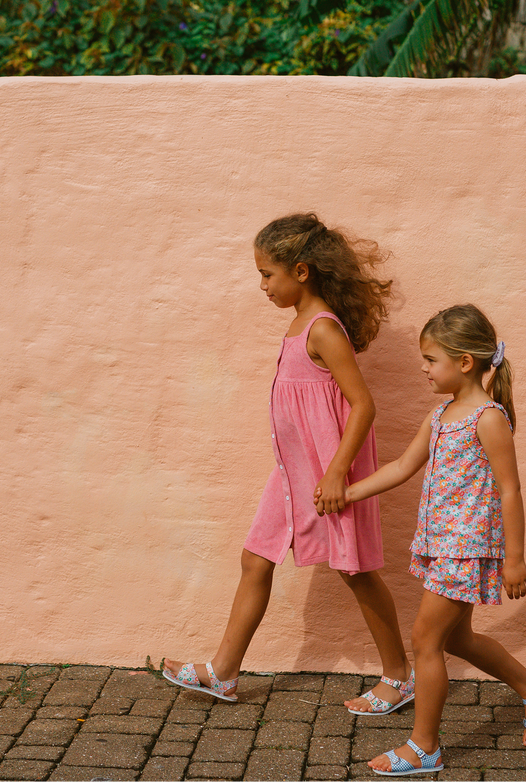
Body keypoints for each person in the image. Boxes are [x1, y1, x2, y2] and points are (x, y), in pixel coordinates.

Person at [162, 212, 414, 715]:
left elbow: (363, 405)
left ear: (301, 271)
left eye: (266, 274)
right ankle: (224, 671)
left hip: (327, 474)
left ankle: (399, 677)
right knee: (255, 557)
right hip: (291, 475)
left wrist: (338, 473)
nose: (262, 286)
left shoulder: (322, 330)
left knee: (356, 571)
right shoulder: (299, 325)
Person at [340, 304, 526, 776]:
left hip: (469, 547)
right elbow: (402, 467)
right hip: (441, 545)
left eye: (430, 359)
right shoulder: (440, 415)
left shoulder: (488, 417)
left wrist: (515, 559)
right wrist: (348, 493)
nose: (423, 368)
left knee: (425, 639)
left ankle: (425, 747)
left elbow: (510, 489)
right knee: (457, 638)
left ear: (465, 362)